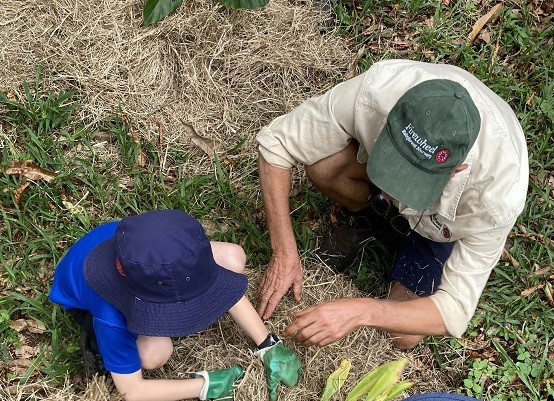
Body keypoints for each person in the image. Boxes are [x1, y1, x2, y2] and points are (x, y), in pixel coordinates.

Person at [255, 59, 528, 349]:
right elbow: (276, 144)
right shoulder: (378, 90)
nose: (390, 190)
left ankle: (406, 237)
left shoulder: (495, 197)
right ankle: (366, 218)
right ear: (391, 117)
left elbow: (455, 311)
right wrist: (284, 251)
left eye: (412, 180)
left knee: (404, 336)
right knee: (324, 167)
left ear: (458, 169)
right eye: (394, 160)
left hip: (439, 230)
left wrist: (360, 311)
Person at [49, 209, 301, 401]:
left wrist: (268, 344)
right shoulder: (110, 313)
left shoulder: (151, 244)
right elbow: (132, 391)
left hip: (129, 263)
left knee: (232, 258)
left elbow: (221, 286)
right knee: (154, 352)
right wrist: (205, 385)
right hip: (89, 301)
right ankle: (94, 343)